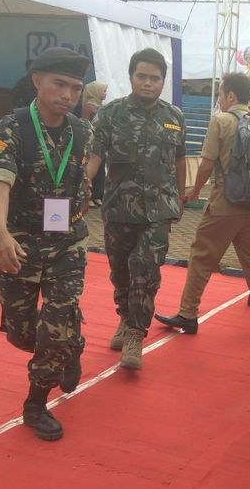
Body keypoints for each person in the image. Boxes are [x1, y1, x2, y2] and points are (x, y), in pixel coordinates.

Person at [0, 47, 92, 441]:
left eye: (75, 88)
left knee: (55, 329)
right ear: (37, 81)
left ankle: (35, 403)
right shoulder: (12, 127)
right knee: (21, 332)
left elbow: (86, 174)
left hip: (68, 243)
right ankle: (73, 343)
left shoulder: (83, 130)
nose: (67, 95)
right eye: (59, 84)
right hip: (20, 242)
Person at [154, 73, 250, 338]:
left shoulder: (221, 121)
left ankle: (188, 313)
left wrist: (195, 191)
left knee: (201, 257)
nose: (219, 99)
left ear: (231, 95)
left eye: (221, 94)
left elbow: (207, 164)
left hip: (225, 203)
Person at [86, 48, 186, 370]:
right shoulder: (110, 114)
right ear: (131, 77)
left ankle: (135, 334)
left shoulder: (174, 117)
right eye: (141, 76)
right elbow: (95, 156)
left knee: (146, 271)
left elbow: (180, 159)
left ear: (162, 82)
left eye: (154, 78)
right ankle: (125, 317)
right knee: (121, 272)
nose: (147, 83)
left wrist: (181, 197)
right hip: (118, 209)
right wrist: (82, 184)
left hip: (159, 210)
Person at [80, 81, 108, 208]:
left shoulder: (103, 107)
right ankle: (88, 195)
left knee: (101, 171)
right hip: (92, 143)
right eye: (103, 91)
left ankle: (97, 195)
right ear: (95, 91)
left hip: (102, 142)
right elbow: (85, 125)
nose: (105, 93)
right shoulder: (88, 107)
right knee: (91, 169)